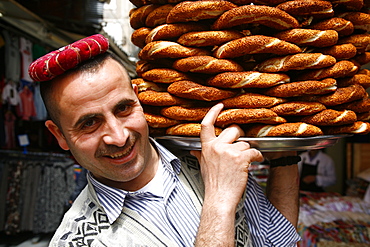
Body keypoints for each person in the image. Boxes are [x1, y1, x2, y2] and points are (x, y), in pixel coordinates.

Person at [29, 34, 301, 246]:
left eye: (123, 108)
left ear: (138, 97)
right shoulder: (80, 241)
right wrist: (218, 202)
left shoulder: (203, 153)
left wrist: (284, 157)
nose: (119, 136)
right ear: (59, 135)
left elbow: (276, 240)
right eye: (89, 123)